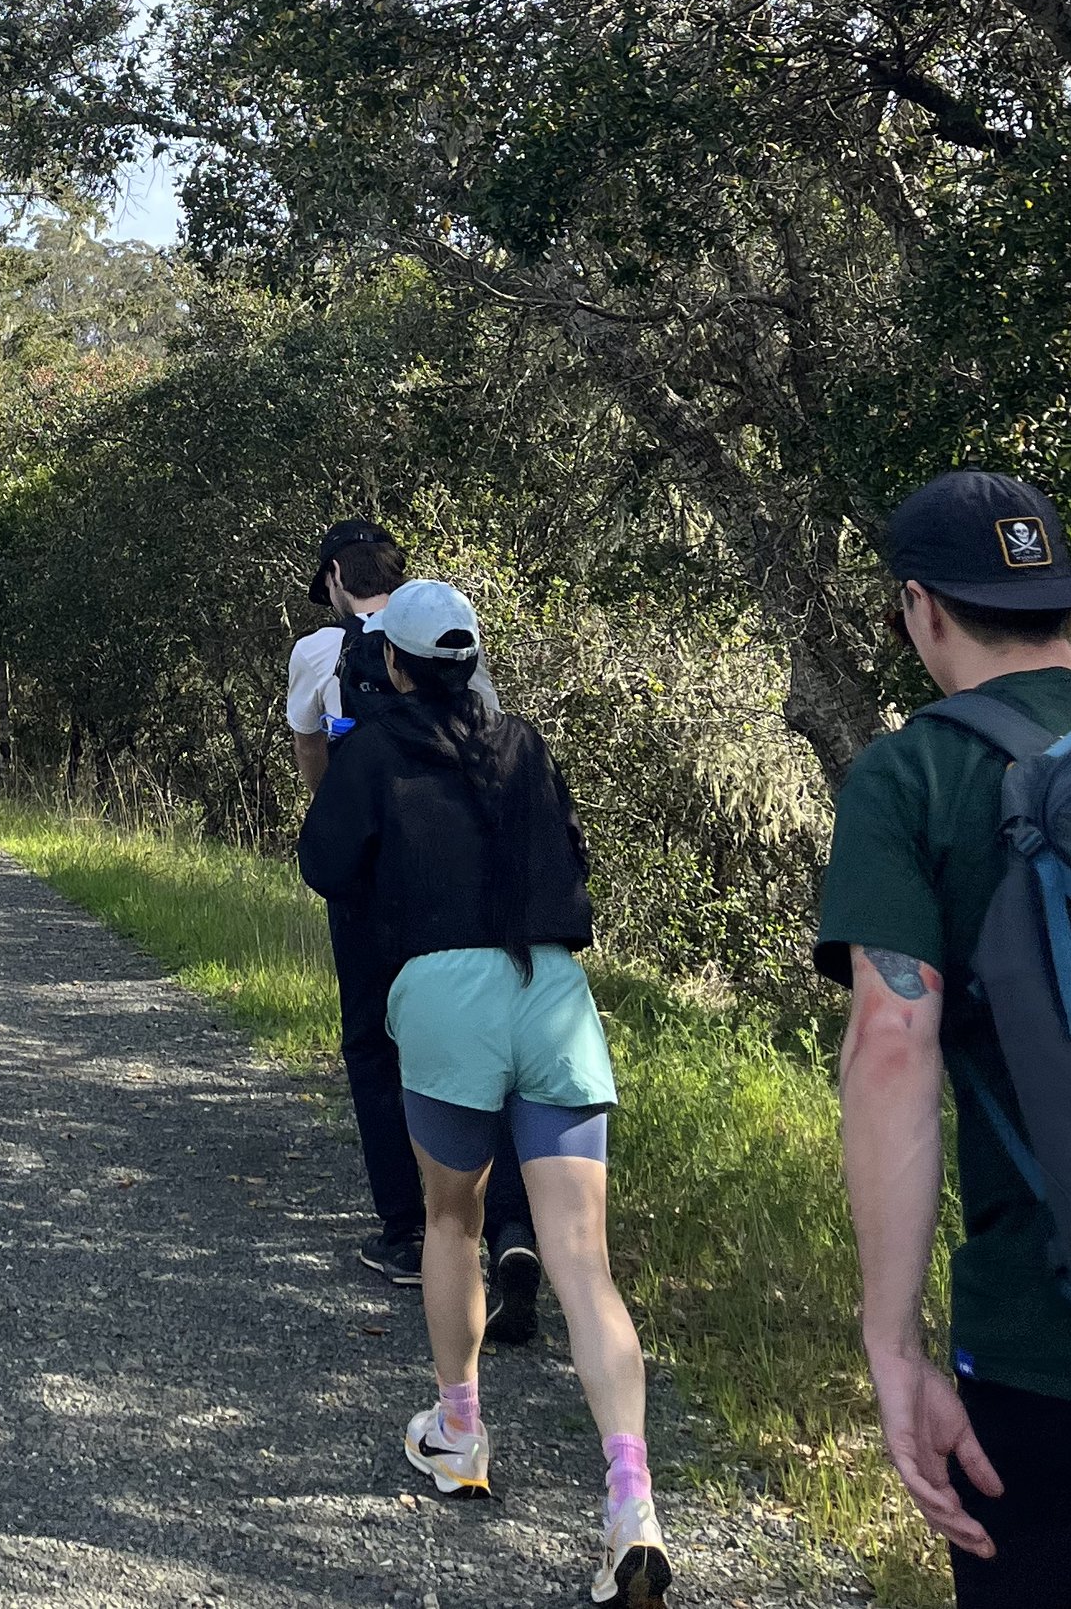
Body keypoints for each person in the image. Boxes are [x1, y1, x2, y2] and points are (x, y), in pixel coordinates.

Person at [817, 469, 1071, 1608]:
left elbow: (890, 1045)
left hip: (1048, 1345)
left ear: (920, 607)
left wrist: (894, 1347)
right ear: (1070, 608)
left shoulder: (911, 774)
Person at [300, 577, 669, 1607]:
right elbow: (573, 858)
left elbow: (326, 865)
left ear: (397, 665)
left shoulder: (371, 748)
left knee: (451, 1219)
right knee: (583, 1262)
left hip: (444, 992)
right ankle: (630, 1502)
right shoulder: (525, 745)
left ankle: (459, 1435)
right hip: (553, 989)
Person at [289, 517, 542, 1341]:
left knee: (373, 1047)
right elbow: (489, 745)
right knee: (483, 1052)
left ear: (333, 576)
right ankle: (508, 1227)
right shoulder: (456, 635)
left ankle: (406, 1231)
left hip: (369, 883)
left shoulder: (319, 655)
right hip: (463, 883)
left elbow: (314, 768)